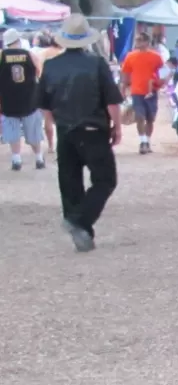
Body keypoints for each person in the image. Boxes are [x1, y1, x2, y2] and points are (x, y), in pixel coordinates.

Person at [38, 14, 123, 252]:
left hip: (65, 129)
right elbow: (112, 101)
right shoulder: (96, 64)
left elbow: (44, 104)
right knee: (105, 179)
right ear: (86, 39)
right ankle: (80, 221)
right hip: (93, 128)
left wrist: (54, 124)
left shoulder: (51, 66)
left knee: (69, 180)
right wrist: (116, 126)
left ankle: (81, 228)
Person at [0, 29, 46, 170]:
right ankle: (38, 158)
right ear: (18, 40)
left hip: (8, 100)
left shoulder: (1, 56)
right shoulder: (30, 55)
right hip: (29, 99)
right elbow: (40, 74)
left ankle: (16, 159)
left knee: (12, 130)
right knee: (33, 131)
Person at [120, 32, 165, 154]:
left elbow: (163, 73)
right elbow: (125, 74)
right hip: (137, 91)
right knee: (140, 117)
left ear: (146, 42)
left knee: (150, 119)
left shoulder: (156, 57)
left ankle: (148, 142)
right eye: (137, 40)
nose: (137, 42)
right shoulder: (130, 56)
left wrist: (160, 84)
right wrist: (123, 89)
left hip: (152, 92)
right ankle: (143, 142)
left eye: (140, 40)